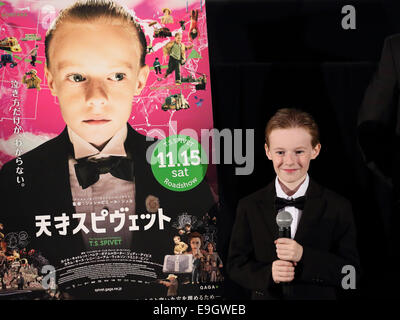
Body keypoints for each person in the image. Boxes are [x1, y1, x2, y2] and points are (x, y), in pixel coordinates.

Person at [0, 0, 214, 299]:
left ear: (140, 80)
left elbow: (205, 271)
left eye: (116, 76)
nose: (96, 98)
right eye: (77, 77)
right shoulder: (13, 179)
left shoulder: (180, 165)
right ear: (50, 80)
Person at [227, 108, 360, 300]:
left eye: (299, 151)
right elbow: (235, 265)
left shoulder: (338, 206)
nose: (289, 161)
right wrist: (268, 274)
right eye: (280, 152)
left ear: (315, 150)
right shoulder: (249, 205)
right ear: (268, 151)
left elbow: (352, 273)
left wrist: (304, 255)